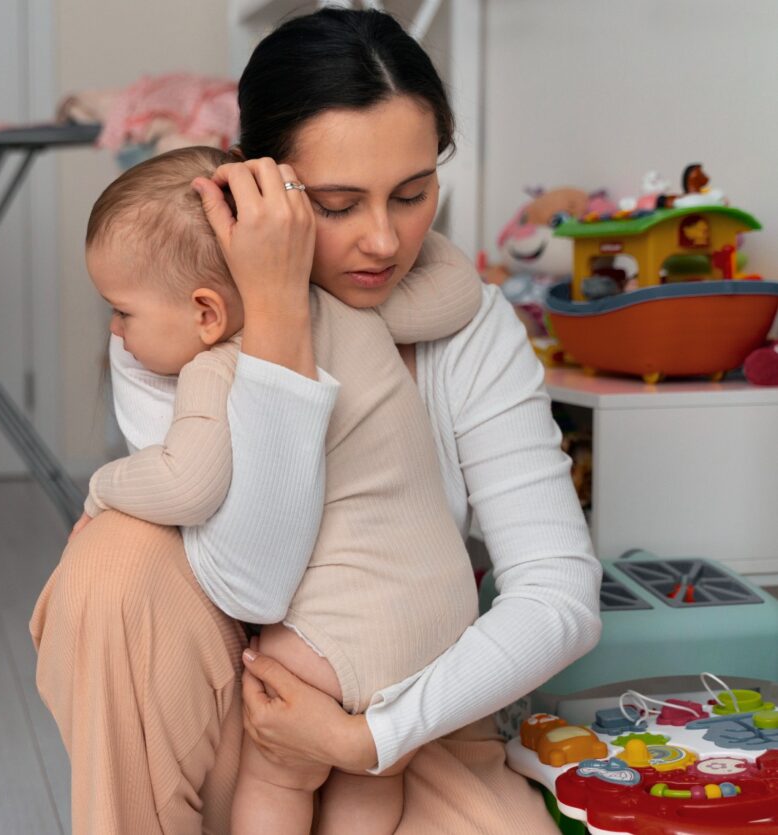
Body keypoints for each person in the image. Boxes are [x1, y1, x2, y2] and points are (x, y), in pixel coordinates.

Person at [31, 8, 602, 834]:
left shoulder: (464, 325)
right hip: (240, 699)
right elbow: (251, 581)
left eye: (413, 194)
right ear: (254, 183)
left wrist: (370, 734)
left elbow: (560, 594)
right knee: (113, 560)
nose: (383, 239)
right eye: (338, 203)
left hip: (406, 706)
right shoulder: (180, 322)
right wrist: (274, 324)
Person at [75, 144, 482, 833]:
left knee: (277, 770)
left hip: (338, 634)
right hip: (445, 610)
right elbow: (459, 290)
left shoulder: (216, 367)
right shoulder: (351, 304)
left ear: (206, 313)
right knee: (369, 775)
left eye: (122, 312)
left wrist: (101, 487)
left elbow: (188, 482)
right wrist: (314, 239)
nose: (115, 331)